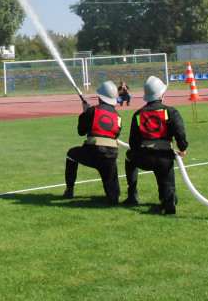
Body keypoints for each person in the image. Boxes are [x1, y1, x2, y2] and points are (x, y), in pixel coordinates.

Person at [122, 75, 188, 214]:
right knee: (167, 181)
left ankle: (132, 194)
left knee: (129, 156)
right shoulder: (170, 111)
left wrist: (139, 150)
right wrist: (182, 148)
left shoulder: (138, 114)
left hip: (145, 157)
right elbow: (180, 132)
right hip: (165, 156)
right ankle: (169, 197)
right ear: (162, 94)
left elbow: (133, 143)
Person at [61, 80, 122, 204]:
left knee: (71, 154)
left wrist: (84, 113)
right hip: (110, 156)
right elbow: (115, 134)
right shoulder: (118, 116)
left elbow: (81, 131)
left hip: (93, 153)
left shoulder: (92, 111)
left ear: (100, 97)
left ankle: (69, 190)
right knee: (113, 198)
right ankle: (112, 194)